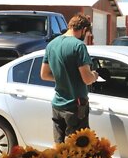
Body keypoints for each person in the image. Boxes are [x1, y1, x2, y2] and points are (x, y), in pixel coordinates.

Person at [40, 14, 98, 143]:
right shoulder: (79, 46)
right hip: (75, 106)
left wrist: (64, 77)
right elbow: (87, 79)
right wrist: (94, 75)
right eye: (86, 33)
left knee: (60, 149)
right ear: (83, 29)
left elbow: (44, 75)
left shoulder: (51, 44)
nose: (85, 37)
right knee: (78, 149)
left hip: (57, 105)